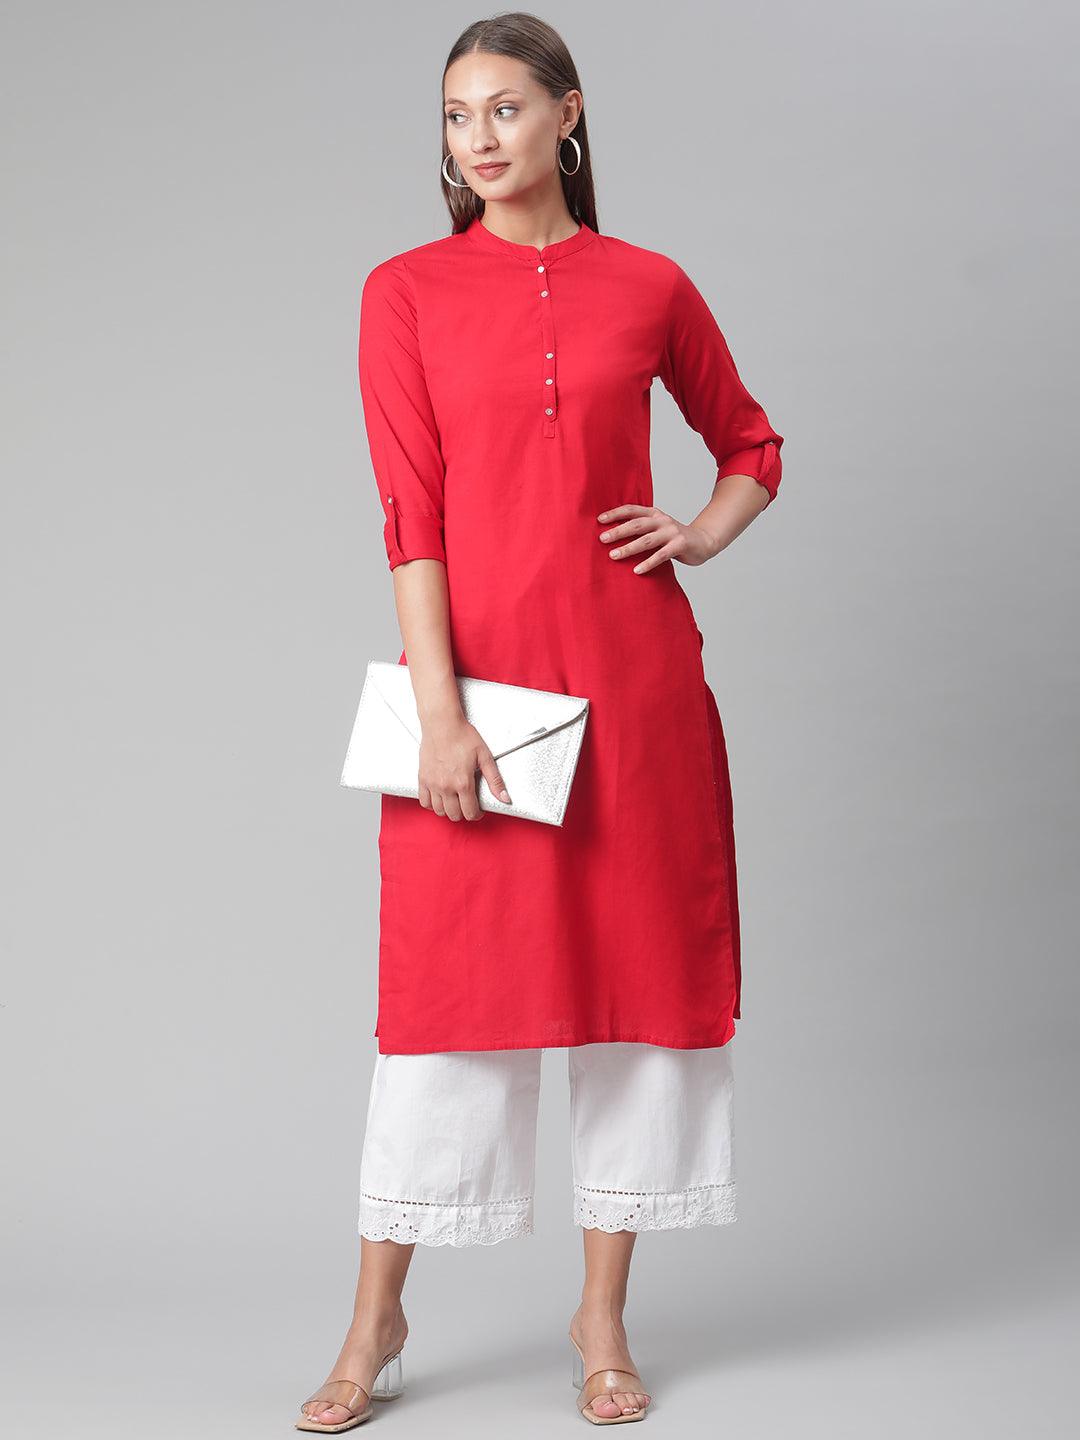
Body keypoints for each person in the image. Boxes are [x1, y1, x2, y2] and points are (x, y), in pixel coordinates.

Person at [297, 11, 784, 1431]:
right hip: (484, 698)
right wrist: (439, 713)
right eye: (458, 116)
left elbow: (751, 443)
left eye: (505, 108)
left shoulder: (650, 284)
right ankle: (377, 1319)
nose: (480, 138)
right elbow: (412, 517)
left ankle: (602, 1316)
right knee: (447, 1010)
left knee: (635, 1001)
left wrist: (698, 532)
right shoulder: (404, 292)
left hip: (636, 690)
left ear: (568, 114)